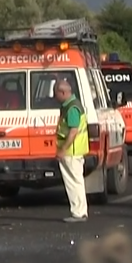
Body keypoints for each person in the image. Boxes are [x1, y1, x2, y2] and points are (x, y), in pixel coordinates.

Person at [53, 77, 88, 223]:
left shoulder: (72, 108)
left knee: (74, 183)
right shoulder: (72, 105)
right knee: (76, 182)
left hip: (72, 152)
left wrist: (63, 149)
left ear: (62, 92)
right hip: (73, 151)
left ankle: (78, 213)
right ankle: (80, 212)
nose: (54, 97)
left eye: (56, 93)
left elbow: (73, 132)